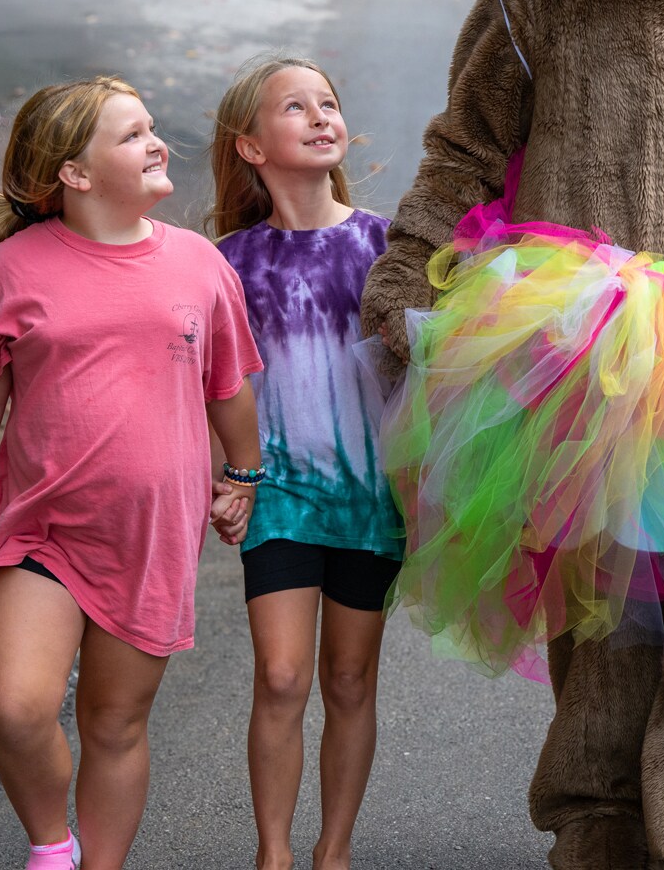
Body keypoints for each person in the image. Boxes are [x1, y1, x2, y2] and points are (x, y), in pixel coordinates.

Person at [0, 76, 263, 870]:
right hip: (40, 529)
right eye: (132, 135)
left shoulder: (197, 264)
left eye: (151, 127)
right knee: (18, 709)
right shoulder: (12, 271)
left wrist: (244, 476)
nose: (157, 142)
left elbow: (229, 387)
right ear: (74, 174)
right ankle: (52, 848)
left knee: (115, 722)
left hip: (151, 532)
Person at [207, 56, 401, 870]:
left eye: (329, 102)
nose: (322, 116)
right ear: (251, 146)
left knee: (350, 681)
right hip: (279, 493)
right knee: (282, 676)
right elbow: (206, 384)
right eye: (296, 107)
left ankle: (334, 849)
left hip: (369, 496)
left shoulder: (384, 243)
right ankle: (275, 854)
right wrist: (221, 475)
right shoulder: (225, 262)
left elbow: (430, 370)